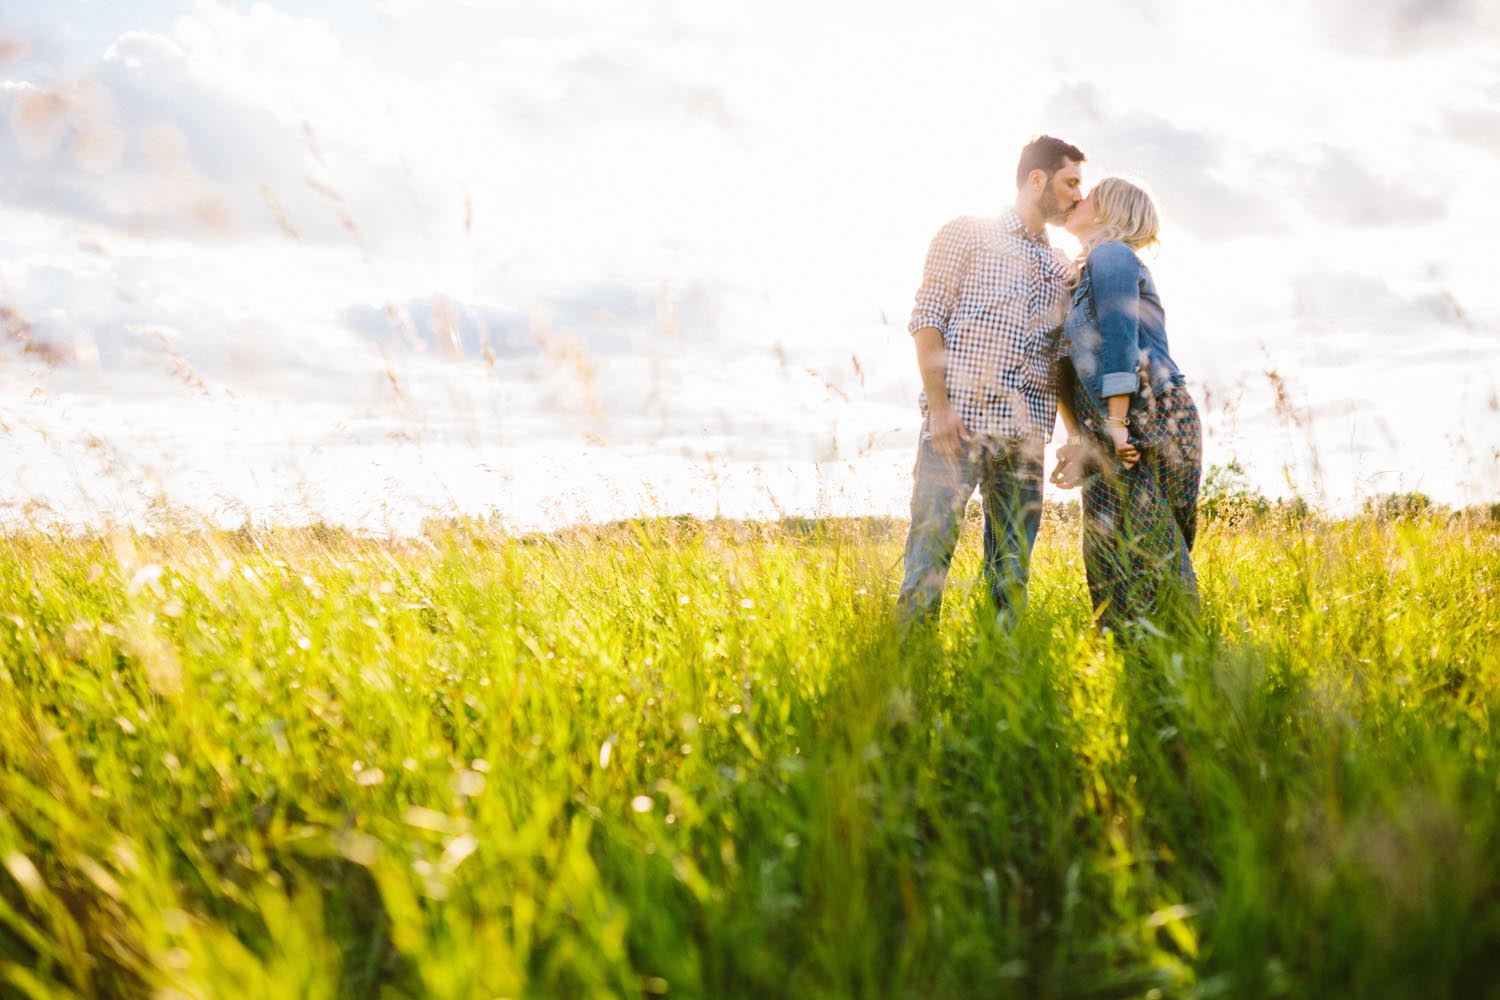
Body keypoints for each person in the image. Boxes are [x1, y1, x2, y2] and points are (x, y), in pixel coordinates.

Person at [896, 135, 1085, 628]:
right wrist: (939, 408)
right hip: (958, 425)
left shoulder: (1060, 266)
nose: (1077, 196)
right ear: (1036, 179)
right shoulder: (966, 233)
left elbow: (1059, 359)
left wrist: (1073, 434)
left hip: (1026, 440)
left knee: (1012, 577)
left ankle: (999, 680)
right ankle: (908, 683)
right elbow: (928, 318)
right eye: (1070, 183)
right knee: (927, 564)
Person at [1051, 176, 1203, 635]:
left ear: (1110, 211)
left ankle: (1186, 666)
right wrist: (1079, 437)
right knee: (1104, 552)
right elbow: (1070, 366)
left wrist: (1116, 423)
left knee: (1154, 554)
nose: (1078, 197)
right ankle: (1127, 661)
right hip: (1109, 425)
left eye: (1090, 194)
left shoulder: (1112, 255)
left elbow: (1121, 336)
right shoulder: (1081, 275)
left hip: (1148, 415)